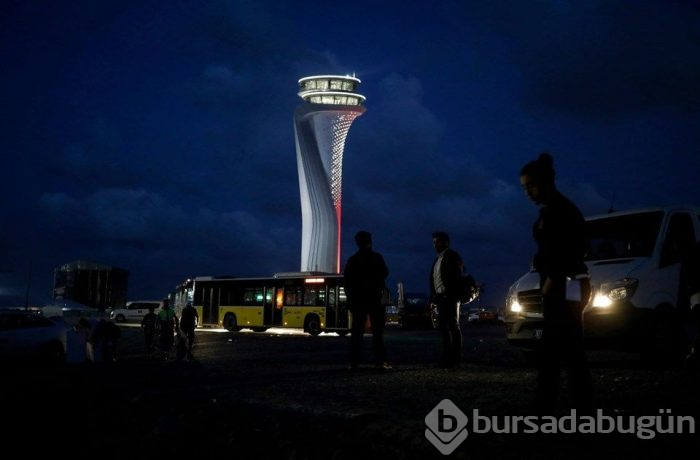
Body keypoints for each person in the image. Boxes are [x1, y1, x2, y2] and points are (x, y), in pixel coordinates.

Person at [520, 152, 593, 413]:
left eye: (531, 185)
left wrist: (554, 277)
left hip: (567, 286)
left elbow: (575, 246)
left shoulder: (562, 211)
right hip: (563, 285)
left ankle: (565, 410)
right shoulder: (553, 210)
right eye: (524, 187)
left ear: (545, 182)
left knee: (563, 349)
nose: (527, 191)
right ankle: (558, 407)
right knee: (560, 350)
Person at [343, 230, 391, 370]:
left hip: (358, 301)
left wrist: (351, 300)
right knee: (377, 332)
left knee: (357, 333)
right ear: (369, 242)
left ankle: (354, 362)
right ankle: (380, 362)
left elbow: (347, 282)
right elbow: (385, 273)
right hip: (375, 300)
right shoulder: (377, 257)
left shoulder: (353, 260)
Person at [429, 231, 465, 368]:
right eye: (434, 242)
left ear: (445, 242)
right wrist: (434, 296)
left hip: (450, 297)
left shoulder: (452, 256)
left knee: (453, 327)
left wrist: (451, 293)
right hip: (441, 298)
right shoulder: (438, 259)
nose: (434, 245)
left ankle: (454, 358)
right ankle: (447, 357)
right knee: (444, 328)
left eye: (436, 242)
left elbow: (458, 275)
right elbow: (435, 279)